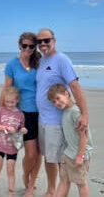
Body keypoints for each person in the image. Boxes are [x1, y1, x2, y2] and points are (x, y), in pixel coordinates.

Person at [36, 28, 89, 197]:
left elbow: (74, 86)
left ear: (54, 40)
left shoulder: (62, 60)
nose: (43, 44)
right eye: (40, 42)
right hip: (43, 120)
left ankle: (58, 191)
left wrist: (84, 114)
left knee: (59, 161)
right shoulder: (43, 61)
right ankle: (52, 190)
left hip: (55, 121)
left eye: (47, 40)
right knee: (49, 158)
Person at [0, 32, 42, 197]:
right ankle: (25, 175)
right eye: (25, 46)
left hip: (43, 113)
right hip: (23, 114)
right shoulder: (12, 64)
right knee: (30, 153)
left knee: (39, 153)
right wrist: (1, 111)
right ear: (19, 46)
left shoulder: (40, 62)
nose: (28, 49)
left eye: (32, 46)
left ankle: (31, 185)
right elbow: (6, 89)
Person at [47, 84, 93, 197]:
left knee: (80, 183)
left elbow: (84, 136)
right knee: (64, 180)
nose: (57, 103)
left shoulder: (75, 112)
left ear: (66, 94)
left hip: (80, 154)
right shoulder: (65, 111)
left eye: (58, 98)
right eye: (54, 102)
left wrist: (80, 155)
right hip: (68, 153)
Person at [0, 86, 28, 197]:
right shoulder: (1, 110)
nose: (9, 104)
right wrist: (6, 128)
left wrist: (23, 130)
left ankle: (10, 193)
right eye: (7, 102)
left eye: (12, 102)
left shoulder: (20, 114)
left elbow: (21, 128)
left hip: (12, 148)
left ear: (17, 100)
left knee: (10, 170)